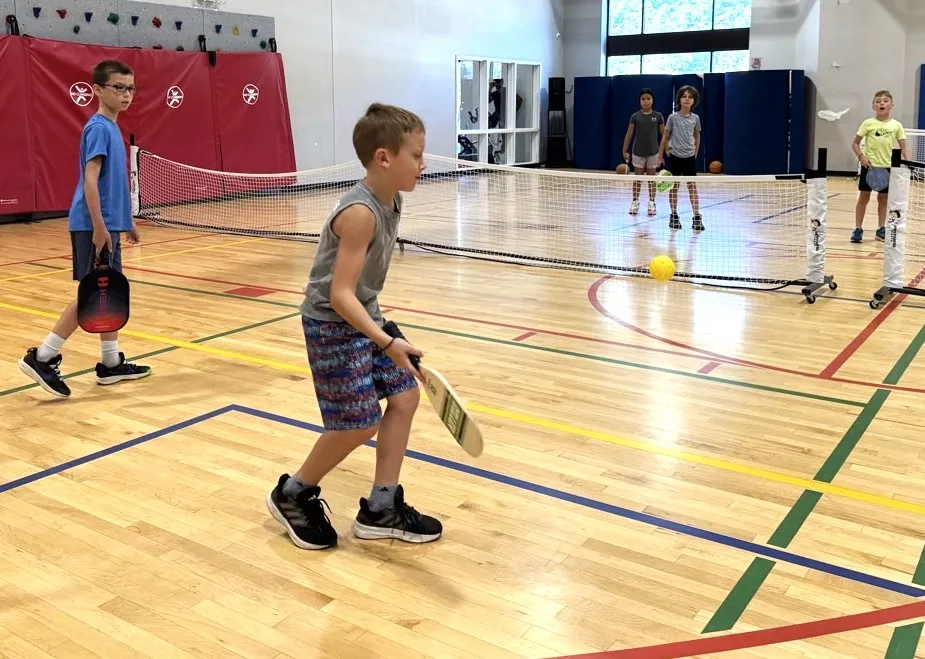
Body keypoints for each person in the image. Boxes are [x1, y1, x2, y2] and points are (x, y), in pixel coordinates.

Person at [267, 103, 443, 550]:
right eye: (417, 156)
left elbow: (359, 293)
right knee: (358, 423)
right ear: (384, 158)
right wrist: (386, 340)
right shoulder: (361, 213)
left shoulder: (391, 199)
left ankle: (381, 507)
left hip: (364, 316)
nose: (424, 164)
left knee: (403, 395)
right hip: (331, 325)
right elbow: (340, 294)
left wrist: (385, 333)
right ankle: (293, 494)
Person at [18, 60, 150, 398]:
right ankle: (43, 357)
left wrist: (126, 223)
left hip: (109, 225)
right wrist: (100, 227)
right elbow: (90, 183)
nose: (126, 94)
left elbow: (110, 186)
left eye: (131, 88)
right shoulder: (98, 128)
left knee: (107, 293)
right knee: (94, 294)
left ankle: (110, 363)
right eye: (118, 87)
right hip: (94, 226)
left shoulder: (112, 128)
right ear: (98, 89)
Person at [851, 90, 908, 243]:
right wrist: (861, 156)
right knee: (864, 197)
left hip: (888, 167)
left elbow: (903, 146)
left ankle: (880, 229)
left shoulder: (896, 125)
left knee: (883, 199)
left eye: (885, 101)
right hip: (869, 166)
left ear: (891, 105)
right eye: (878, 101)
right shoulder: (868, 123)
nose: (881, 103)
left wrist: (908, 163)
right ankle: (857, 228)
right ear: (873, 106)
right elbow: (855, 143)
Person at [658, 85, 704, 231]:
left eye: (690, 97)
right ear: (679, 99)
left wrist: (695, 152)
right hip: (674, 157)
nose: (687, 99)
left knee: (692, 187)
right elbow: (665, 137)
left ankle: (696, 217)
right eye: (684, 96)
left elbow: (697, 136)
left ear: (694, 101)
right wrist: (660, 156)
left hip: (689, 157)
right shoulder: (673, 117)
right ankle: (673, 216)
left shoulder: (696, 118)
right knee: (674, 187)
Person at [622, 88, 665, 216]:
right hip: (638, 152)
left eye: (648, 99)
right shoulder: (635, 116)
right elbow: (629, 134)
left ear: (652, 100)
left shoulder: (658, 116)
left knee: (652, 179)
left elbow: (664, 135)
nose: (646, 101)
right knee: (638, 179)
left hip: (653, 152)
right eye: (643, 99)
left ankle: (652, 203)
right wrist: (624, 150)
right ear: (640, 101)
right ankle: (635, 202)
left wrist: (664, 151)